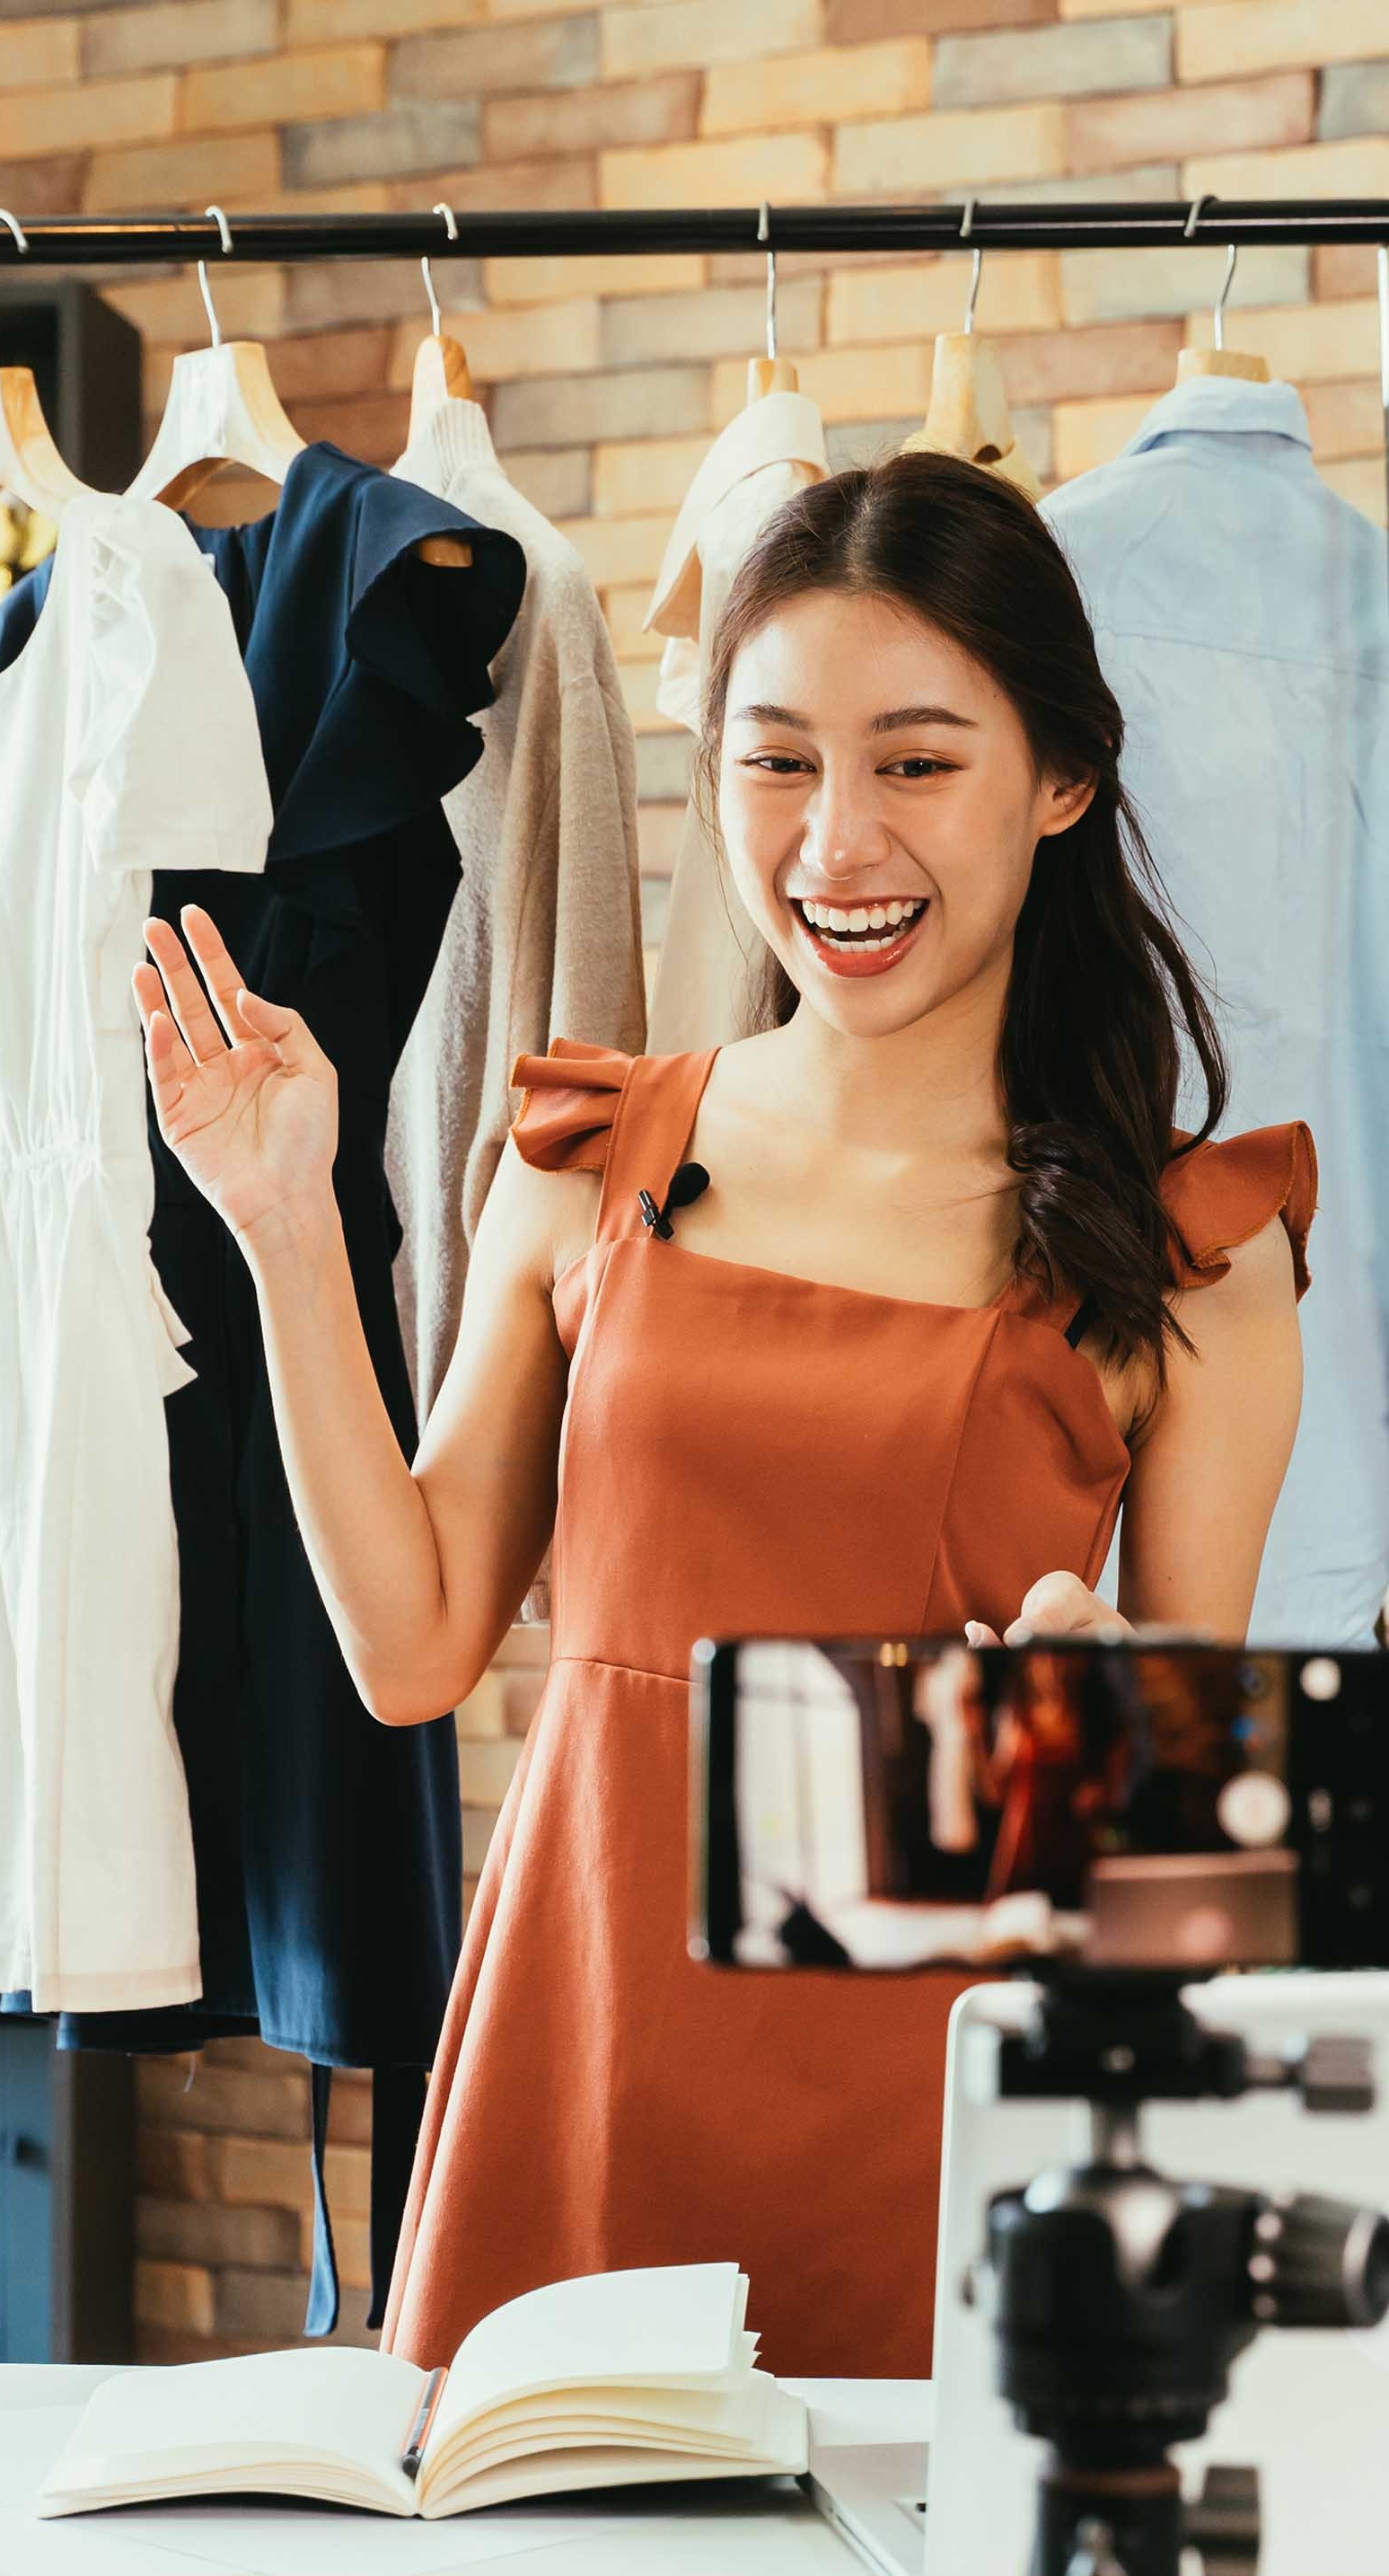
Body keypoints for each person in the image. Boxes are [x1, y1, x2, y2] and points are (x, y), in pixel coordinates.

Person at [129, 452, 1314, 2378]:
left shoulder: (1189, 1248)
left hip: (937, 2129)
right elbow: (415, 1644)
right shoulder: (598, 1146)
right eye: (775, 762)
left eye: (917, 763)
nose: (836, 844)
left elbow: (1193, 1893)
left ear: (1062, 779)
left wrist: (1116, 1720)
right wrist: (283, 1229)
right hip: (582, 2064)